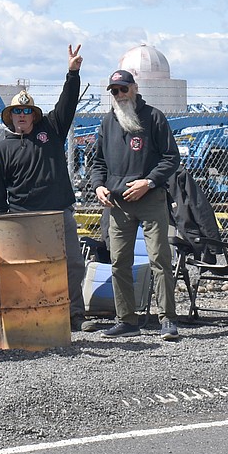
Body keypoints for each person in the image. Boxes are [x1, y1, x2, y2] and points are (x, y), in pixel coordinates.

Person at [0, 45, 87, 331]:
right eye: (17, 111)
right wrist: (0, 222)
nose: (22, 115)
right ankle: (33, 316)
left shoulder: (52, 130)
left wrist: (73, 73)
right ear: (11, 116)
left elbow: (67, 104)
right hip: (23, 219)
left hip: (59, 213)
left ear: (34, 115)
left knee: (71, 265)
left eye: (26, 111)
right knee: (29, 269)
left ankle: (74, 315)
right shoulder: (2, 149)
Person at [89, 69, 182, 340]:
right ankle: (127, 320)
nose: (119, 95)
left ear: (134, 88)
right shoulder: (108, 121)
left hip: (150, 198)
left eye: (123, 89)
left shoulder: (154, 117)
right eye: (114, 91)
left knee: (159, 259)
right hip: (118, 203)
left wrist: (148, 182)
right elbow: (99, 163)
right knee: (118, 261)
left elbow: (170, 158)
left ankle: (167, 319)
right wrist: (98, 186)